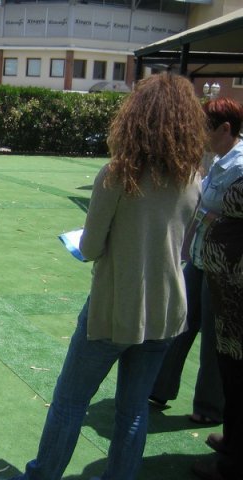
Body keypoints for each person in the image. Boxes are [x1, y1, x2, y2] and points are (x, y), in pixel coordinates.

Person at [10, 73, 206, 480]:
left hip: (114, 310)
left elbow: (91, 246)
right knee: (132, 410)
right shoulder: (192, 178)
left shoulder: (118, 174)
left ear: (135, 116)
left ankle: (41, 475)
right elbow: (181, 245)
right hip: (167, 311)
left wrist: (85, 243)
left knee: (69, 401)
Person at [150, 98, 243, 425]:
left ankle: (209, 407)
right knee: (179, 322)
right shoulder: (217, 160)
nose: (199, 135)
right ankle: (159, 388)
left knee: (214, 341)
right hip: (200, 258)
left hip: (224, 267)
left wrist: (207, 213)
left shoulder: (240, 165)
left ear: (225, 128)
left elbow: (223, 211)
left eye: (206, 128)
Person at [191, 112, 243, 480]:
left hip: (237, 289)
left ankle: (233, 464)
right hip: (227, 287)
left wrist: (212, 212)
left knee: (237, 373)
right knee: (230, 367)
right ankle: (233, 441)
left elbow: (222, 202)